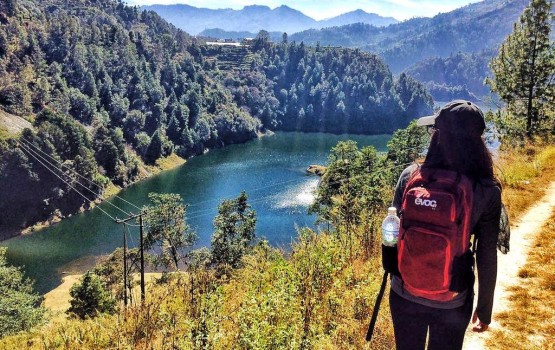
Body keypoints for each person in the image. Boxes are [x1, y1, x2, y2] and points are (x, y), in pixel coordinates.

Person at [389, 100, 502, 350]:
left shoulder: (410, 177)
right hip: (452, 298)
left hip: (405, 292)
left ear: (437, 134)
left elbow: (393, 234)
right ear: (477, 142)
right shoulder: (485, 190)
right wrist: (485, 308)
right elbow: (486, 254)